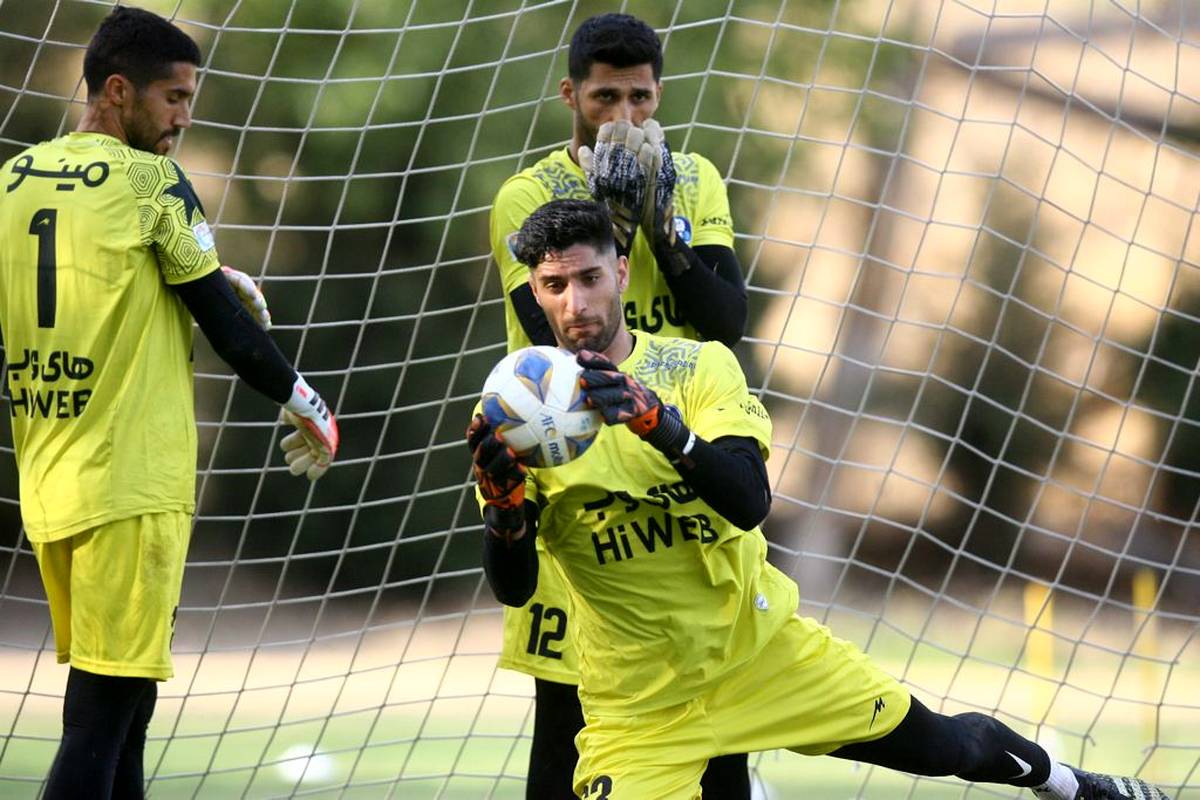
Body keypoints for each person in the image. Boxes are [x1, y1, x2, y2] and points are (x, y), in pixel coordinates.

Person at [467, 199, 1170, 800]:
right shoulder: (514, 417)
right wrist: (503, 513)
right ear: (536, 292)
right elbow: (516, 588)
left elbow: (749, 499)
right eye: (555, 285)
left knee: (944, 748)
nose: (576, 303)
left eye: (590, 278)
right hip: (639, 706)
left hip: (762, 653)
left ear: (621, 272)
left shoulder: (696, 368)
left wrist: (661, 425)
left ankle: (1071, 785)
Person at [0, 8, 339, 798]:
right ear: (118, 91)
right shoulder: (151, 183)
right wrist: (306, 402)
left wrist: (200, 280)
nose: (184, 118)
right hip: (132, 483)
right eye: (174, 98)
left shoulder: (14, 180)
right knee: (97, 727)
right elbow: (231, 331)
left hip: (51, 481)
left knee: (127, 714)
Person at [487, 13, 751, 797]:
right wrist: (614, 223)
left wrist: (662, 231)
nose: (625, 117)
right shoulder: (527, 195)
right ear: (571, 94)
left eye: (640, 98)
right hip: (574, 464)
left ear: (659, 93)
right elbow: (552, 334)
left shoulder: (694, 177)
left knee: (717, 717)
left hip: (678, 458)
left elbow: (726, 321)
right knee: (566, 722)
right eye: (606, 98)